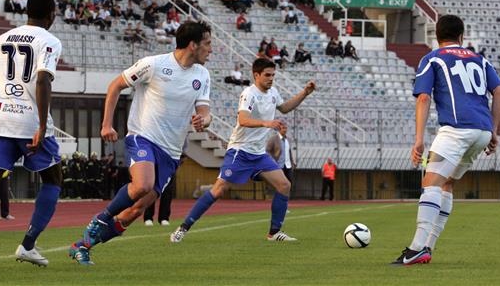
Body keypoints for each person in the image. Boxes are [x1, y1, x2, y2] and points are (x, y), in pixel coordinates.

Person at [69, 21, 213, 265]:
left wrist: (204, 121)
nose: (211, 50)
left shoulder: (202, 74)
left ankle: (82, 246)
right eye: (208, 44)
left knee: (134, 211)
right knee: (142, 185)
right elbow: (116, 85)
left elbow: (205, 112)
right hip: (143, 136)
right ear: (193, 45)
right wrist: (106, 124)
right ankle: (101, 218)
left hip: (172, 152)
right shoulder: (153, 64)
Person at [391, 15, 500, 266]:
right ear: (461, 37)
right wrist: (494, 130)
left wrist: (419, 140)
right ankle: (427, 248)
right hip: (482, 131)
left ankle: (415, 249)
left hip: (456, 130)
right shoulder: (480, 59)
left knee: (430, 182)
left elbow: (423, 98)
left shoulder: (432, 58)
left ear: (437, 36)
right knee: (447, 184)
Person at [0, 0, 63, 273]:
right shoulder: (49, 40)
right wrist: (43, 126)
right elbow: (43, 79)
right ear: (51, 14)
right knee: (54, 178)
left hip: (0, 120)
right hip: (29, 121)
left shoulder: (3, 38)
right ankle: (28, 244)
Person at [170, 58, 316, 243]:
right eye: (267, 75)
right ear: (256, 75)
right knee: (218, 190)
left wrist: (304, 93)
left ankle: (274, 233)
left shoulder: (273, 93)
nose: (271, 79)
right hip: (240, 151)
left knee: (284, 185)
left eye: (273, 75)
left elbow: (285, 108)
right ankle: (183, 228)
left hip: (258, 154)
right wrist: (266, 123)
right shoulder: (249, 94)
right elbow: (243, 119)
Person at [266, 125, 296, 192]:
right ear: (279, 129)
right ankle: (279, 196)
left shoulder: (288, 139)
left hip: (288, 165)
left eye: (286, 128)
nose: (285, 130)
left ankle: (286, 197)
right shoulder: (273, 139)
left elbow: (289, 151)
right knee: (280, 183)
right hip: (278, 165)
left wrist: (292, 162)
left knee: (289, 182)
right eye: (283, 128)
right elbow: (267, 150)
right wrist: (273, 160)